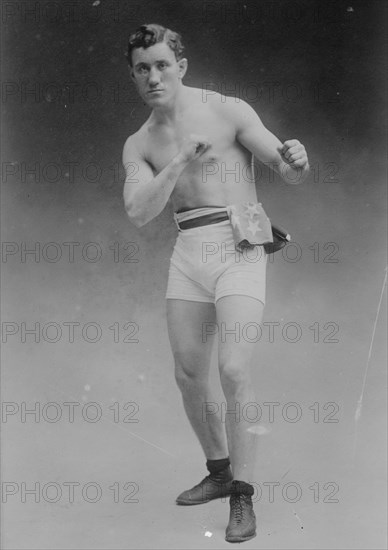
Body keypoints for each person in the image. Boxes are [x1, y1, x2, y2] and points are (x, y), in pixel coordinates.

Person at [123, 23, 309, 543]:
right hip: (188, 253)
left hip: (240, 246)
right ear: (134, 75)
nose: (153, 76)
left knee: (232, 368)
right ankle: (220, 470)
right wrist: (180, 157)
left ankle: (244, 497)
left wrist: (296, 162)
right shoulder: (139, 143)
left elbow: (284, 167)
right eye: (143, 68)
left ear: (181, 66)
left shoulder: (228, 110)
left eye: (162, 64)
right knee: (187, 372)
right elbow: (139, 211)